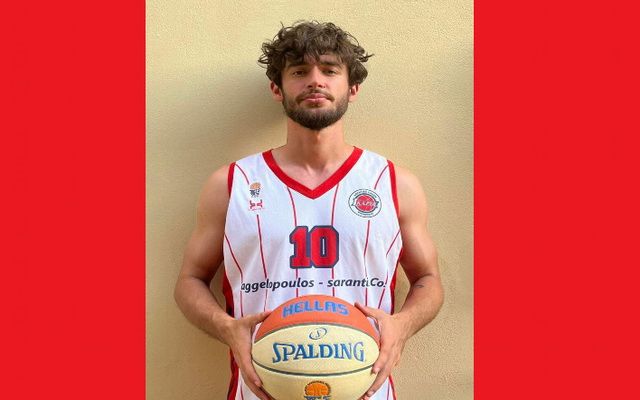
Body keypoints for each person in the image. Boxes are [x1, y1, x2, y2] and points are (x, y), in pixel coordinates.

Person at [174, 20, 444, 400]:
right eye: (299, 72)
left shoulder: (394, 183)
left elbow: (428, 278)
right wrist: (226, 328)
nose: (315, 81)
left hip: (365, 388)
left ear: (352, 88)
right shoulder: (231, 184)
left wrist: (402, 325)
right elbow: (190, 280)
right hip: (262, 388)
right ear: (277, 88)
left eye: (329, 70)